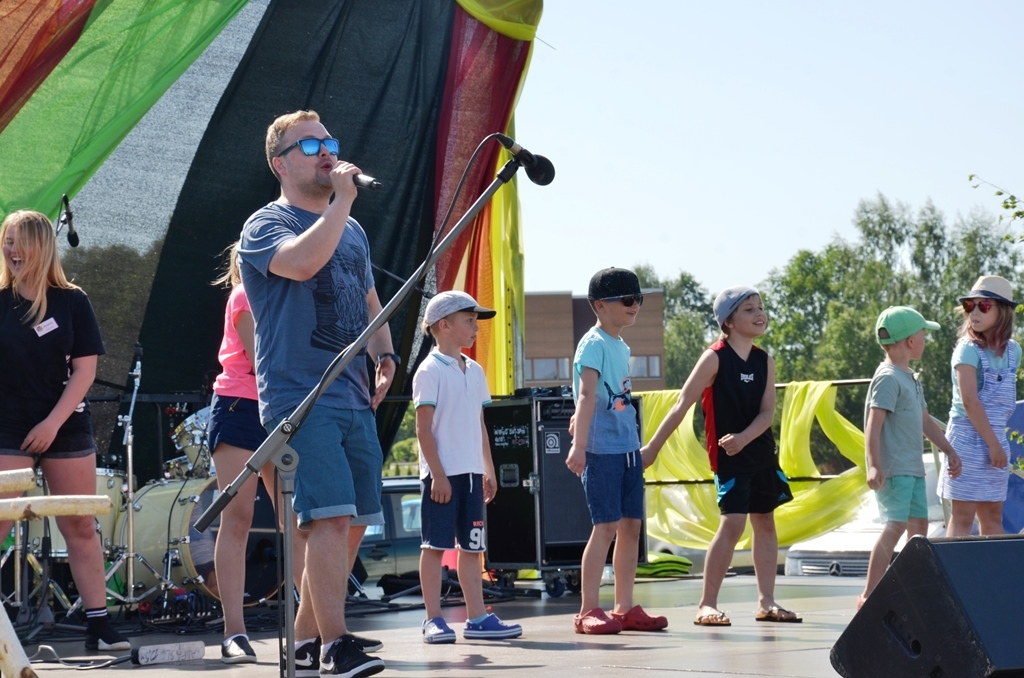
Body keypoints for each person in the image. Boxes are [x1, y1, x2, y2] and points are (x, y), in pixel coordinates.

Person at [239, 110, 396, 678]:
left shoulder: (349, 228)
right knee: (327, 518)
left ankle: (305, 639)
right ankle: (337, 643)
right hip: (300, 394)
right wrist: (343, 203)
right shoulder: (264, 226)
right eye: (309, 144)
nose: (326, 150)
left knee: (353, 521)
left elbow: (369, 297)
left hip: (354, 392)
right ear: (280, 163)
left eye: (330, 140)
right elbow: (303, 265)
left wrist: (386, 355)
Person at [0, 210, 130, 651]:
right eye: (7, 240)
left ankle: (99, 623)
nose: (12, 250)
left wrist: (52, 423)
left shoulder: (72, 300)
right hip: (7, 424)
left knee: (79, 524)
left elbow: (85, 370)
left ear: (42, 245)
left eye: (19, 241)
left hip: (64, 422)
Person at [643, 285, 797, 627]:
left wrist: (744, 438)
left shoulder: (764, 360)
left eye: (760, 307)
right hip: (729, 457)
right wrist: (652, 448)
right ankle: (706, 604)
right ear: (727, 321)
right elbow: (682, 403)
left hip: (758, 451)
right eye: (748, 309)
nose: (759, 313)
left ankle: (767, 602)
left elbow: (767, 413)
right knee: (732, 523)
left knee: (765, 522)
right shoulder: (714, 357)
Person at [208, 241, 309, 664]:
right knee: (239, 517)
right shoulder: (244, 295)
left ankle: (317, 626)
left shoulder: (290, 297)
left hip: (281, 408)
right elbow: (262, 358)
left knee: (301, 519)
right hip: (241, 407)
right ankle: (235, 631)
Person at [413, 290, 522, 644]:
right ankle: (433, 619)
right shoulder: (429, 370)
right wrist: (438, 475)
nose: (476, 327)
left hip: (472, 475)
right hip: (441, 477)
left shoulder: (474, 370)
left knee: (473, 548)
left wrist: (487, 468)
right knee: (434, 546)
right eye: (469, 320)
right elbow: (423, 428)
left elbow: (479, 423)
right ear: (443, 325)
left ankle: (477, 618)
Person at [566, 267, 668, 635]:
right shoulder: (592, 343)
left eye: (637, 299)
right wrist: (579, 447)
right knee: (605, 527)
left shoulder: (621, 345)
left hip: (627, 449)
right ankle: (588, 609)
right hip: (600, 450)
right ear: (599, 305)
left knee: (631, 528)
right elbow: (586, 394)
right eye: (626, 299)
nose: (634, 305)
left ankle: (624, 607)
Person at [860, 306, 961, 608]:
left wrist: (949, 449)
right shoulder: (888, 378)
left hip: (914, 469)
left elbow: (926, 422)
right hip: (894, 470)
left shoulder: (910, 378)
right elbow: (873, 424)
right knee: (895, 526)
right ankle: (868, 594)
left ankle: (905, 591)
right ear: (909, 341)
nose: (925, 340)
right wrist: (874, 465)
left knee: (918, 530)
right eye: (923, 334)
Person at [937, 276, 1018, 537]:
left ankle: (995, 578)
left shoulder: (1014, 351)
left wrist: (996, 444)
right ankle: (951, 578)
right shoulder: (967, 349)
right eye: (970, 306)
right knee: (963, 517)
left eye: (984, 306)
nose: (973, 312)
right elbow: (970, 402)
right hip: (966, 441)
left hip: (995, 438)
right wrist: (994, 445)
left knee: (993, 515)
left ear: (1003, 311)